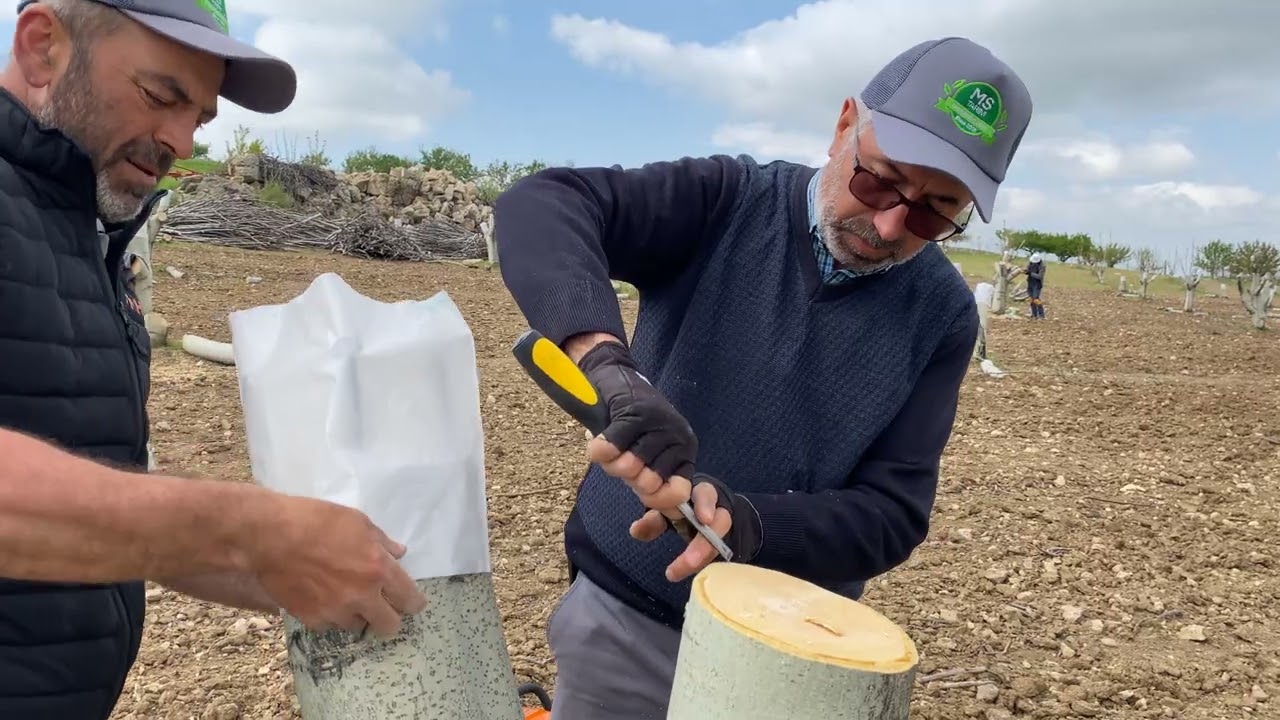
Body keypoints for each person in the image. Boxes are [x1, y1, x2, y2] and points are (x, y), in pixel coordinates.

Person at [495, 36, 1033, 718]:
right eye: (879, 180)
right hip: (627, 619)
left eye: (934, 211)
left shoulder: (943, 314)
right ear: (846, 125)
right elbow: (544, 205)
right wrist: (608, 366)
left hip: (789, 649)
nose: (892, 222)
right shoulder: (727, 201)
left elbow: (893, 513)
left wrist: (751, 525)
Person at [0, 1, 427, 717]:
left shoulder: (80, 230)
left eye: (198, 117)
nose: (179, 139)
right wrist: (248, 531)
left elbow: (85, 502)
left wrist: (277, 566)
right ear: (45, 46)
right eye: (161, 95)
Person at [1026, 252, 1047, 319]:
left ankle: (1041, 315)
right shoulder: (1030, 263)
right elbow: (1027, 270)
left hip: (1037, 284)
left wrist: (1030, 273)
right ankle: (1034, 314)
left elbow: (1040, 276)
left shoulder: (1042, 266)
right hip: (1030, 282)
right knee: (1031, 299)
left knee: (1036, 299)